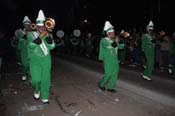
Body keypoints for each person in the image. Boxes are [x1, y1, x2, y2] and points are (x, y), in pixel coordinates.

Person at [27, 10, 55, 104]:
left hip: (46, 60)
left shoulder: (49, 34)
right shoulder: (30, 34)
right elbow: (30, 46)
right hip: (35, 60)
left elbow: (52, 47)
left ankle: (45, 97)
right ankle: (36, 90)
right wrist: (40, 37)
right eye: (39, 26)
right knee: (36, 80)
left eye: (43, 26)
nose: (41, 28)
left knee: (46, 79)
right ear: (37, 26)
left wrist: (48, 38)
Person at [98, 21, 124, 93]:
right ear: (108, 34)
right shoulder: (104, 40)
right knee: (108, 74)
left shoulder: (114, 40)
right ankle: (101, 84)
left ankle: (111, 87)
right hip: (108, 59)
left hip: (115, 59)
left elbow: (121, 47)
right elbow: (108, 47)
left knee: (115, 73)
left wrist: (120, 41)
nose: (113, 34)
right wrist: (115, 41)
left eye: (114, 33)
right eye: (112, 33)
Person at [19, 16, 31, 81]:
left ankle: (30, 79)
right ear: (24, 25)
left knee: (31, 67)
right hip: (24, 53)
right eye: (26, 25)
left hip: (31, 52)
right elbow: (19, 46)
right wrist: (23, 37)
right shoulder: (20, 33)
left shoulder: (33, 32)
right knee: (25, 66)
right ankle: (24, 73)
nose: (27, 26)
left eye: (28, 25)